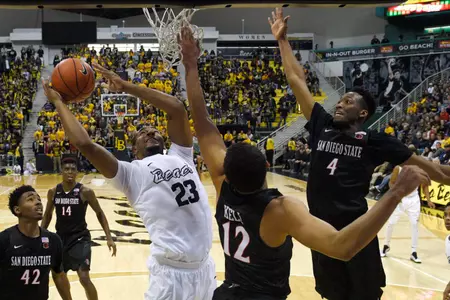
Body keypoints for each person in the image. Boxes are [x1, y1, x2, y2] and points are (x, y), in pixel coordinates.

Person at [178, 25, 431, 300]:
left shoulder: (222, 186)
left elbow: (201, 123)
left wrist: (190, 66)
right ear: (266, 167)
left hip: (227, 292)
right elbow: (342, 246)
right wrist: (395, 192)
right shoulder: (281, 210)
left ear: (224, 171)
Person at [270, 7, 450, 300]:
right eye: (340, 100)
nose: (339, 104)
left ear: (363, 113)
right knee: (331, 294)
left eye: (348, 101)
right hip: (321, 230)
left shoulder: (375, 140)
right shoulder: (321, 124)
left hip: (357, 229)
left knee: (365, 295)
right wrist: (282, 41)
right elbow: (295, 79)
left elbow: (437, 171)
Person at [41, 63, 215, 300]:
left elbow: (177, 109)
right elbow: (85, 144)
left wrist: (126, 87)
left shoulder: (181, 155)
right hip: (171, 276)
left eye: (154, 130)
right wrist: (59, 103)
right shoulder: (131, 174)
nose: (150, 133)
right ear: (135, 150)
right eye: (143, 134)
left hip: (206, 269)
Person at [41, 155, 117, 300]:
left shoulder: (85, 192)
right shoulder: (53, 192)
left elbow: (100, 213)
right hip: (61, 239)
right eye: (66, 169)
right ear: (61, 171)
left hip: (80, 238)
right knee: (58, 275)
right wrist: (40, 235)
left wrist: (109, 237)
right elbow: (47, 215)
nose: (70, 172)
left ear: (77, 172)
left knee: (83, 277)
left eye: (73, 169)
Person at [0, 185, 72, 300]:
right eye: (30, 199)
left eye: (38, 199)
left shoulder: (53, 240)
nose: (38, 202)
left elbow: (59, 274)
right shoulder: (4, 240)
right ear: (17, 210)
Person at [381, 166, 436, 263]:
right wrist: (397, 195)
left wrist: (428, 200)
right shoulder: (398, 168)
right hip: (400, 199)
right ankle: (386, 245)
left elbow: (425, 186)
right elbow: (391, 183)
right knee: (391, 223)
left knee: (414, 225)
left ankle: (413, 252)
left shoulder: (420, 170)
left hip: (414, 200)